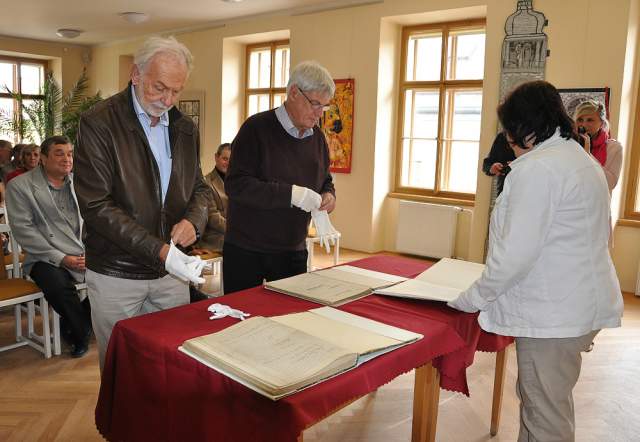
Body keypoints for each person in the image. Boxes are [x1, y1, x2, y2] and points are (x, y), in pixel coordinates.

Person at [448, 81, 623, 442]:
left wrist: (471, 299)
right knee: (544, 403)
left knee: (545, 414)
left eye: (510, 129)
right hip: (577, 304)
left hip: (555, 315)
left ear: (526, 127)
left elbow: (515, 256)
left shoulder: (538, 169)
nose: (508, 138)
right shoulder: (577, 158)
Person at [74, 36, 211, 369]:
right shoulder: (99, 123)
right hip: (117, 272)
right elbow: (96, 206)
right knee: (120, 368)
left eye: (176, 91)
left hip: (171, 274)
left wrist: (194, 220)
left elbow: (199, 187)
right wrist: (159, 251)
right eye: (159, 88)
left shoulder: (184, 128)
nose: (167, 100)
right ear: (136, 74)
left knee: (170, 364)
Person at [224, 60, 336, 294]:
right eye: (315, 104)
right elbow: (236, 185)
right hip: (247, 250)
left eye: (324, 107)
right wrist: (290, 194)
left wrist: (328, 195)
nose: (319, 114)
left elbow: (325, 178)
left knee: (291, 313)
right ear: (294, 92)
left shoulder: (317, 138)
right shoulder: (255, 129)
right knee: (241, 314)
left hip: (292, 250)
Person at [5, 136, 92, 358]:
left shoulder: (81, 182)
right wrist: (62, 258)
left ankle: (74, 322)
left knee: (115, 277)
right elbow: (25, 231)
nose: (67, 159)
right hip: (44, 256)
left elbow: (95, 220)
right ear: (43, 158)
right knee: (59, 287)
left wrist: (91, 253)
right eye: (59, 153)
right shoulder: (20, 186)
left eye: (70, 154)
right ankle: (80, 333)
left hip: (84, 252)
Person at [574, 100, 623, 193]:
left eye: (590, 120)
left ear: (602, 123)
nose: (584, 125)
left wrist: (588, 155)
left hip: (598, 199)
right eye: (580, 120)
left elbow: (611, 183)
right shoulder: (570, 145)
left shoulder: (614, 148)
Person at [191, 143, 231, 254]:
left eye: (231, 160)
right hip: (215, 243)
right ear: (216, 157)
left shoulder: (238, 183)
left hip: (234, 238)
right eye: (225, 159)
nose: (228, 163)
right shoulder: (206, 183)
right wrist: (237, 229)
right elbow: (213, 217)